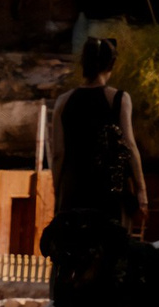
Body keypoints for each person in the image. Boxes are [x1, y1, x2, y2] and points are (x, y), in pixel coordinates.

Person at [50, 35, 149, 230]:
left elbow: (57, 154)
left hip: (74, 191)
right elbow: (129, 146)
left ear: (83, 64)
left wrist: (57, 193)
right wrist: (141, 193)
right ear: (111, 64)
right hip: (108, 192)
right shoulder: (118, 99)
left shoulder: (63, 101)